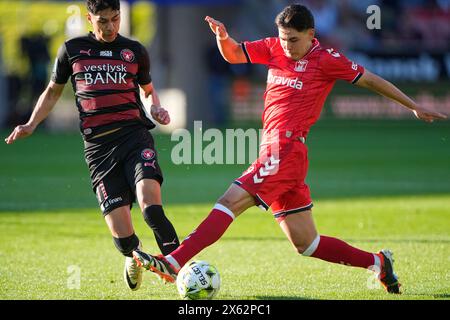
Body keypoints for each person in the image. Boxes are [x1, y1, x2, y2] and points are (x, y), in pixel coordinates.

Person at [132, 4, 447, 293]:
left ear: (311, 35)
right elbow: (234, 54)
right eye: (283, 38)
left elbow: (370, 80)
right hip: (275, 151)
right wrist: (223, 38)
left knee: (229, 201)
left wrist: (413, 105)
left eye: (293, 40)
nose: (287, 45)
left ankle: (174, 262)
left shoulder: (326, 59)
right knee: (306, 243)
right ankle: (378, 263)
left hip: (285, 150)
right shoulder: (273, 47)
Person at [4, 0, 180, 291]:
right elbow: (52, 92)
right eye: (102, 21)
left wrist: (156, 109)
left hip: (134, 137)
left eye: (114, 19)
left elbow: (148, 92)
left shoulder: (134, 51)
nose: (109, 26)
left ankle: (180, 269)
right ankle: (133, 256)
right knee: (124, 239)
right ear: (89, 18)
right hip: (98, 150)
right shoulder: (72, 50)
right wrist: (31, 124)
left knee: (151, 208)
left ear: (120, 16)